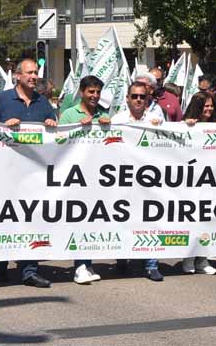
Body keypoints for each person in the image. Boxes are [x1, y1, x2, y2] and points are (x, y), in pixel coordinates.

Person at [0, 58, 57, 288]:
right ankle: (1, 267)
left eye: (36, 73)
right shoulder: (3, 99)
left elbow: (56, 129)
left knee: (31, 219)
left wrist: (50, 123)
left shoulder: (42, 101)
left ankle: (29, 270)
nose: (33, 77)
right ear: (17, 76)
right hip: (5, 173)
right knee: (5, 217)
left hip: (33, 174)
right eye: (29, 73)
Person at [58, 75, 110, 285]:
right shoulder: (69, 114)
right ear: (81, 92)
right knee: (79, 221)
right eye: (91, 92)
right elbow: (59, 142)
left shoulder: (103, 114)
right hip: (75, 178)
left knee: (92, 222)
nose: (95, 96)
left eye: (98, 92)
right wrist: (78, 128)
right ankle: (79, 265)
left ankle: (86, 262)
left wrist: (109, 124)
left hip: (97, 179)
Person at [111, 81, 166, 281]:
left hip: (148, 181)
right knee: (123, 219)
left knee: (150, 220)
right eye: (134, 96)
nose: (138, 100)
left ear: (147, 98)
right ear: (127, 98)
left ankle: (151, 264)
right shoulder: (117, 119)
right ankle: (122, 257)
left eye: (142, 96)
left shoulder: (156, 119)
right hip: (122, 179)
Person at [180, 92, 216, 276]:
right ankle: (188, 257)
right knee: (191, 220)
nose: (209, 109)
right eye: (205, 106)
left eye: (211, 106)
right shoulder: (184, 126)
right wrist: (186, 126)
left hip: (211, 182)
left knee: (208, 221)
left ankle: (203, 259)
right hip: (190, 183)